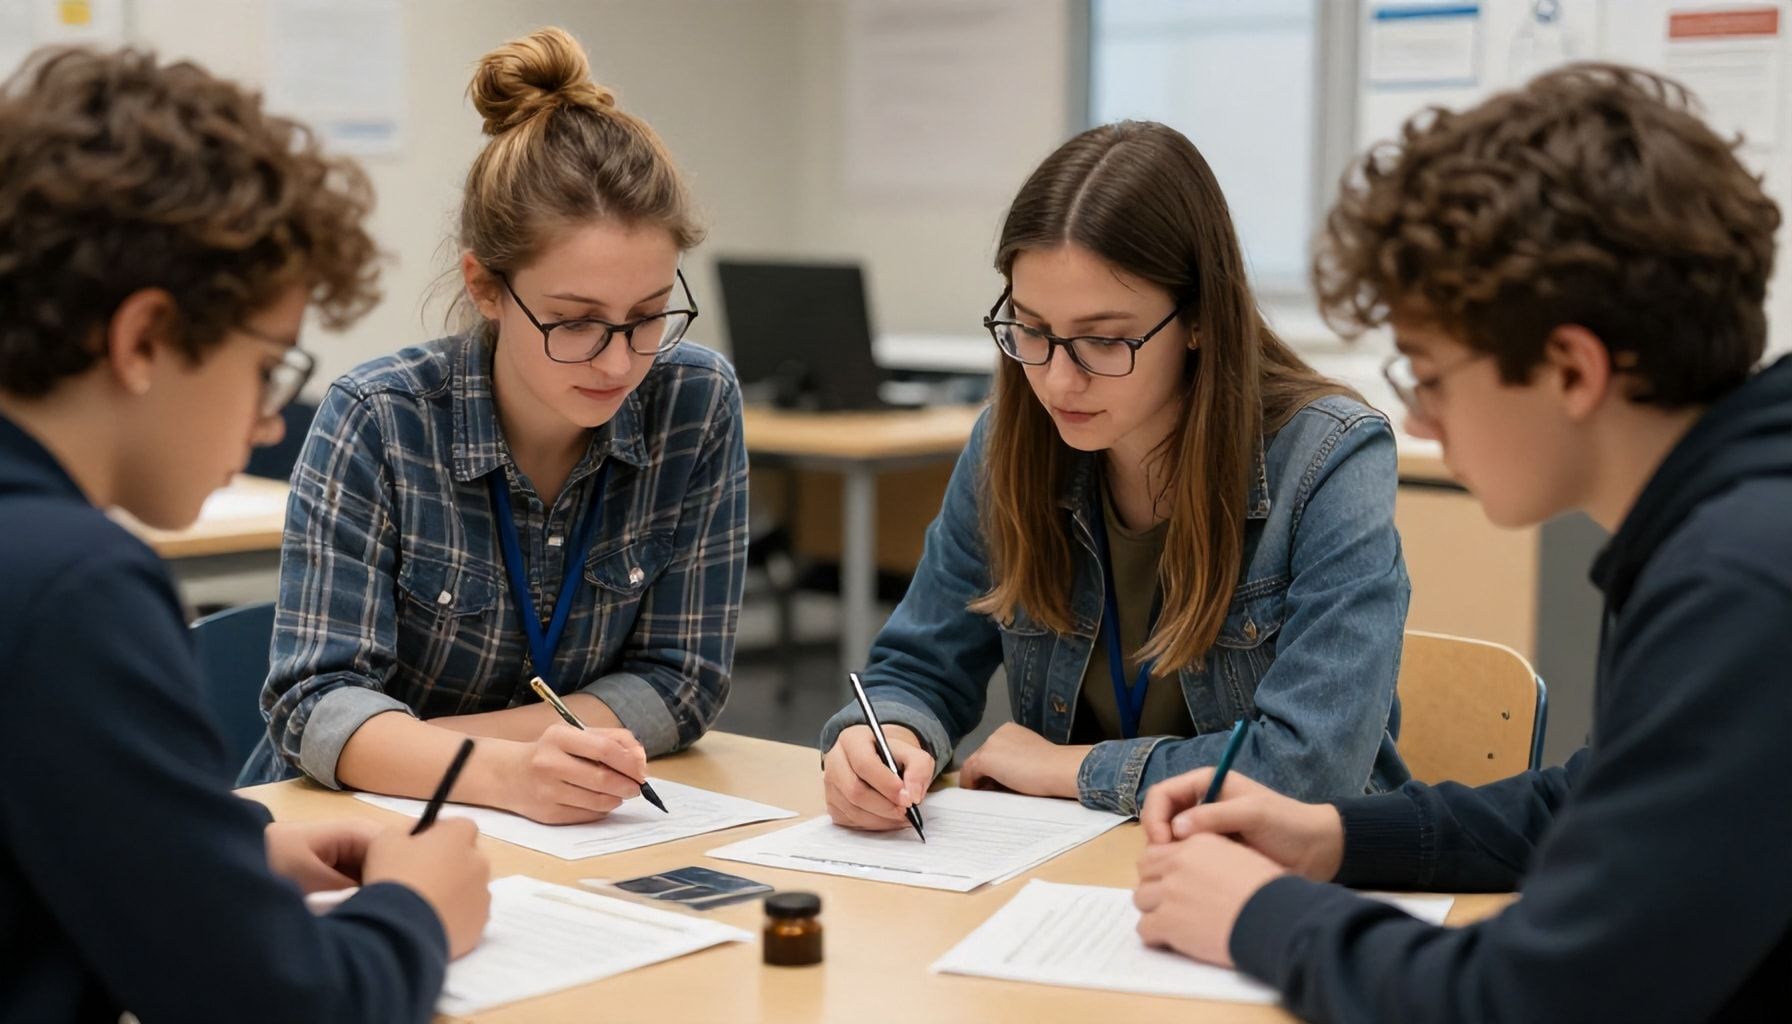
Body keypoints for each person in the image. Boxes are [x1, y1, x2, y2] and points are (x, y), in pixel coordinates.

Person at [1133, 64, 1791, 1023]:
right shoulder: (1732, 517)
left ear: (1571, 368)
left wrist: (1264, 917)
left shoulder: (1740, 584)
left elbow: (1533, 999)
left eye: (1432, 374)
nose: (1423, 421)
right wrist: (1333, 837)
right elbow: (1600, 799)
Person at [0, 45, 491, 1022]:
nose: (270, 422)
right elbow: (279, 1004)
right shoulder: (75, 587)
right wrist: (415, 911)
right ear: (144, 339)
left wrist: (199, 848)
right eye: (267, 368)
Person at [820, 120, 1411, 827]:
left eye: (1103, 340)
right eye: (1031, 330)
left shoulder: (1328, 462)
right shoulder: (1009, 445)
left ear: (1198, 320)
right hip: (1083, 865)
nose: (1058, 381)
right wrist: (883, 736)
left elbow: (1310, 768)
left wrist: (1071, 768)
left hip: (1275, 879)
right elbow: (917, 669)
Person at [246, 27, 748, 826]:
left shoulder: (696, 401)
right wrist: (508, 773)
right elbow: (315, 707)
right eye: (574, 322)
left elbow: (682, 680)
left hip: (571, 823)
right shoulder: (379, 419)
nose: (619, 363)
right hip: (359, 827)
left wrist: (471, 756)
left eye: (649, 316)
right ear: (485, 286)